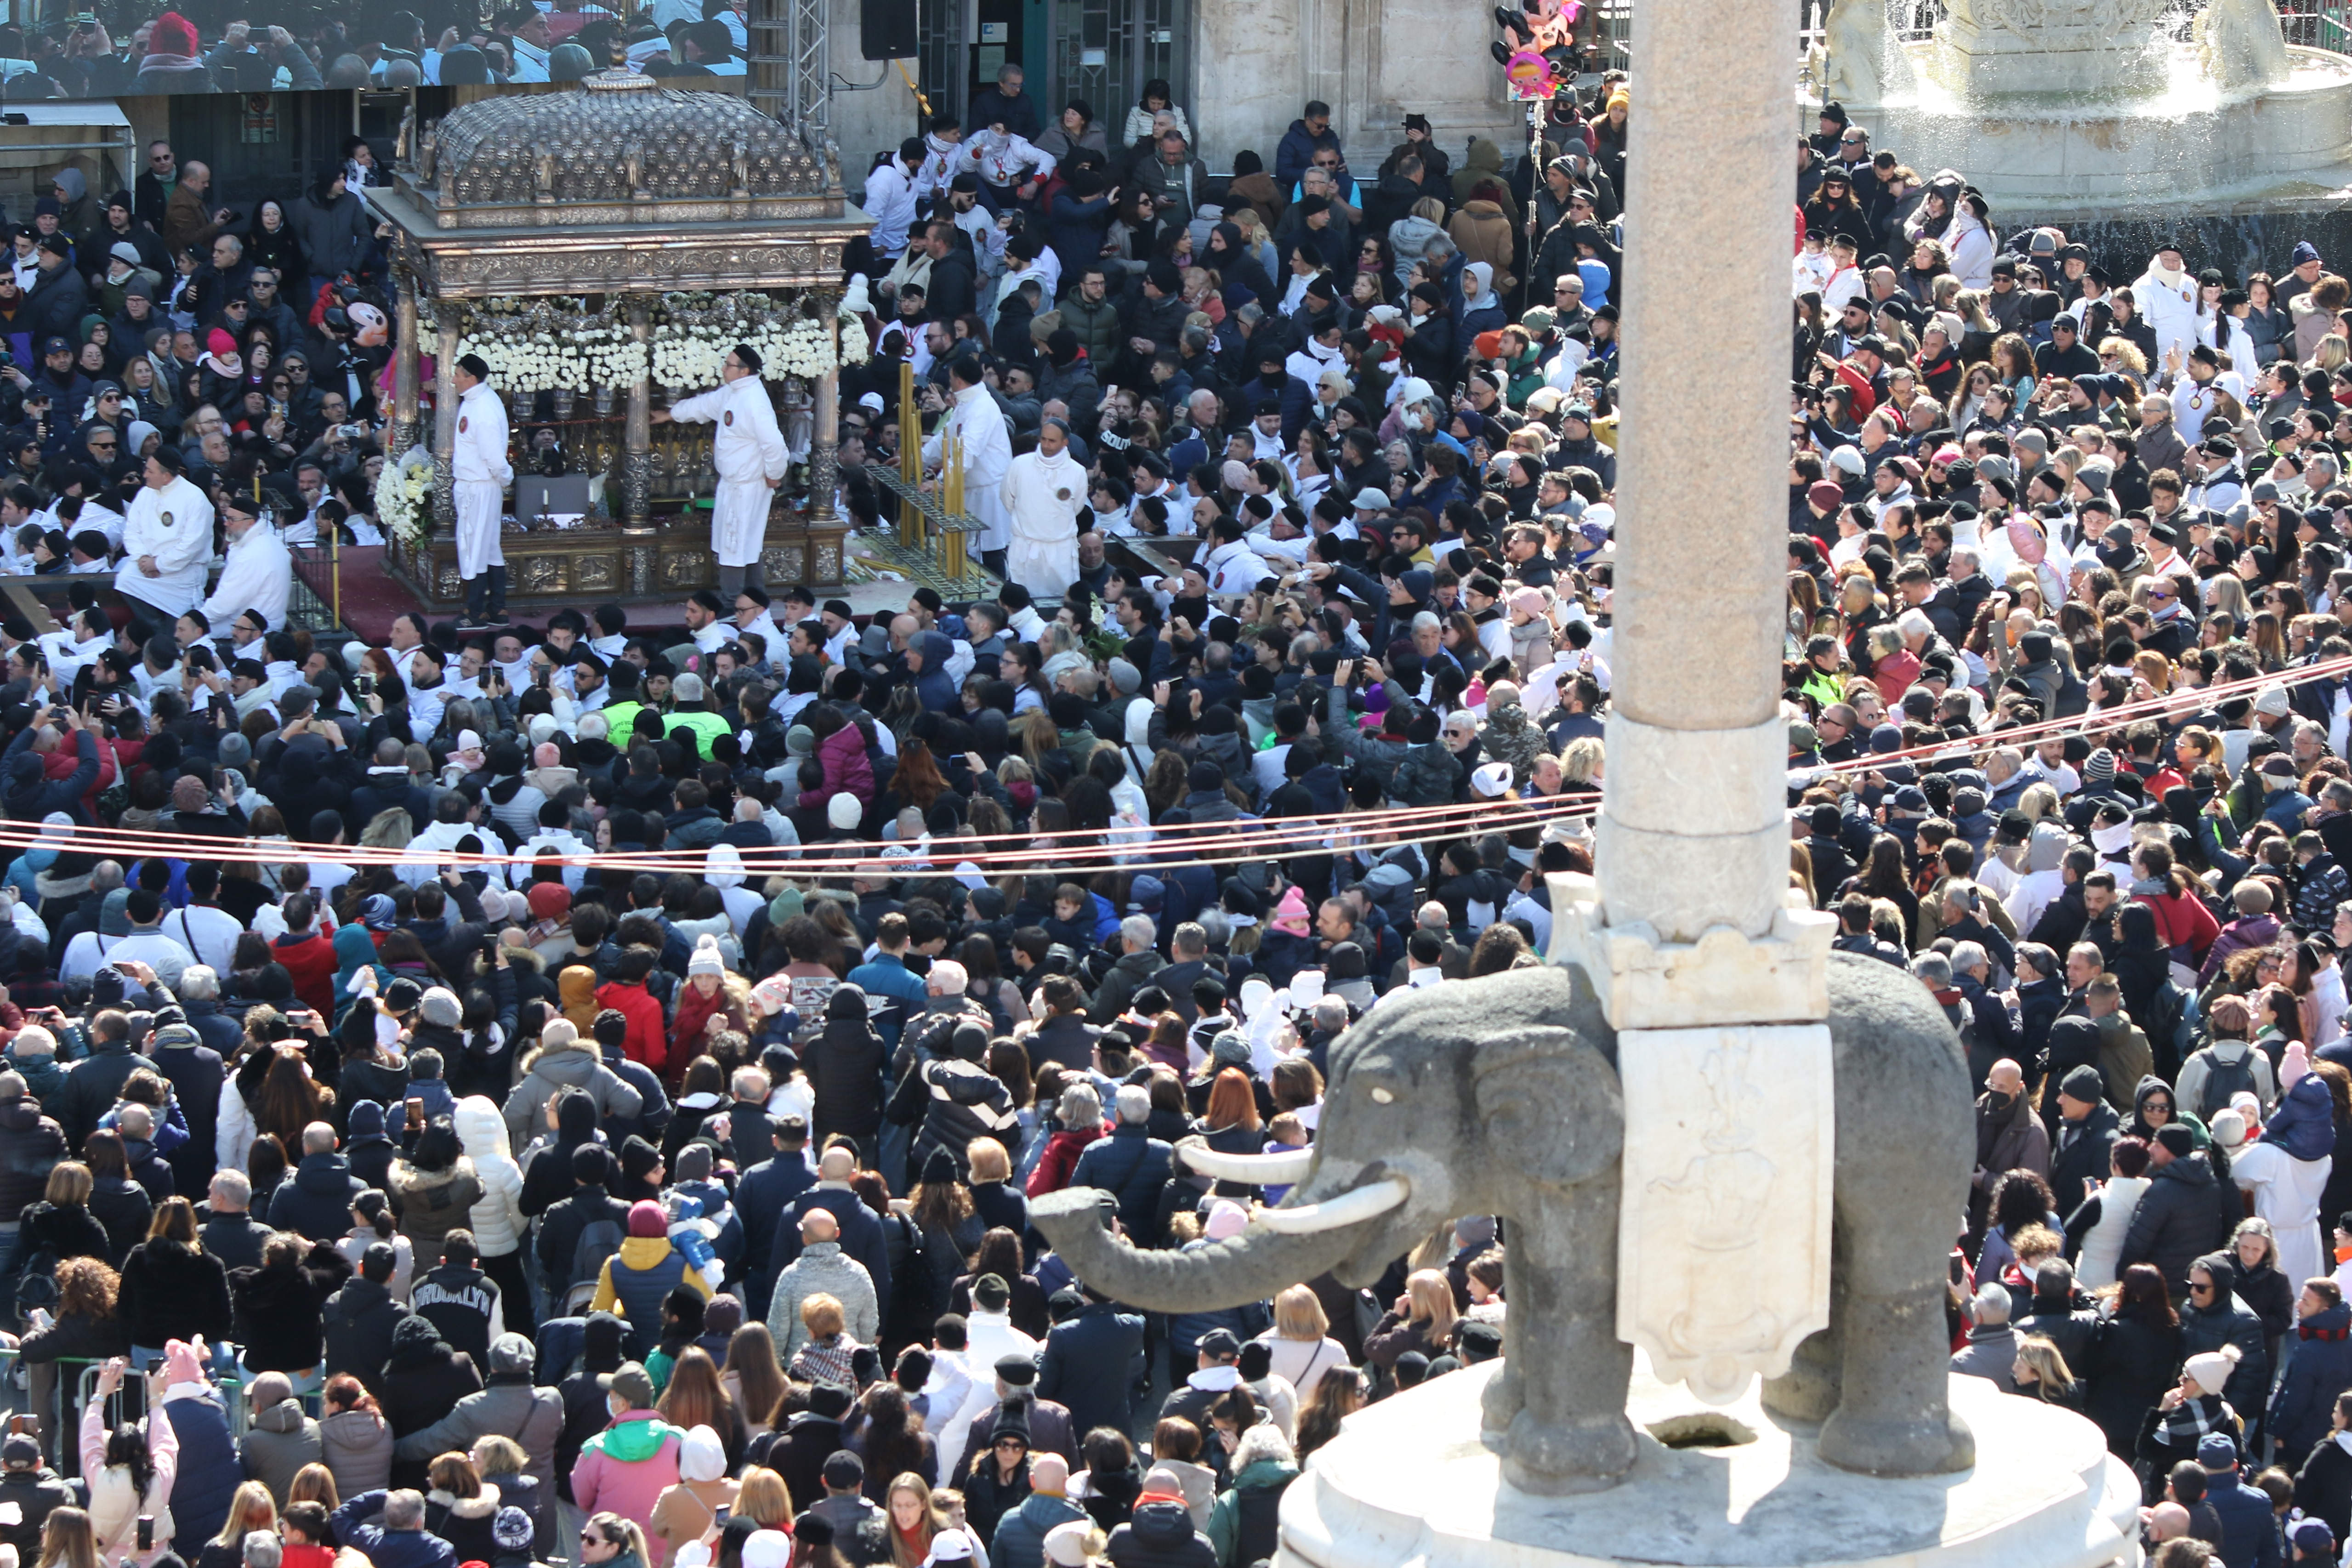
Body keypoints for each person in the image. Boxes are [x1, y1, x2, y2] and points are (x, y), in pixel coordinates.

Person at [653, 346, 789, 600]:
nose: (724, 369)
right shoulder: (733, 393)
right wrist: (670, 415)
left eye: (729, 365)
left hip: (748, 486)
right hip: (732, 484)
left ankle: (734, 602)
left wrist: (774, 474)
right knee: (744, 544)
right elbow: (704, 406)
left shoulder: (754, 400)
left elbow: (774, 445)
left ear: (745, 371)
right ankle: (752, 599)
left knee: (736, 545)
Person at [451, 353, 514, 631]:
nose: (453, 379)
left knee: (473, 546)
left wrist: (505, 478)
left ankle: (474, 611)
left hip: (480, 486)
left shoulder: (483, 409)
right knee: (488, 547)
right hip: (476, 484)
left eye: (458, 375)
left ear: (471, 378)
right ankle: (497, 608)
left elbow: (494, 456)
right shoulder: (475, 402)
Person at [1001, 418, 1086, 598]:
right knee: (1021, 600)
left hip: (1060, 550)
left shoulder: (1077, 472)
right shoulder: (1019, 464)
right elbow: (1008, 499)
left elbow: (1076, 507)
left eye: (1052, 441)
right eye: (1044, 439)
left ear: (1065, 443)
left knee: (1062, 600)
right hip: (1025, 545)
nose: (1047, 445)